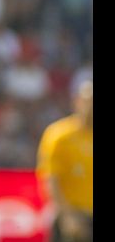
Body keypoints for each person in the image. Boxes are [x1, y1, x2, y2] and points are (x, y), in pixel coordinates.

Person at [36, 80, 93, 242]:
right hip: (71, 216)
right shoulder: (59, 135)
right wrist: (67, 216)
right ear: (77, 101)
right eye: (89, 100)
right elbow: (50, 179)